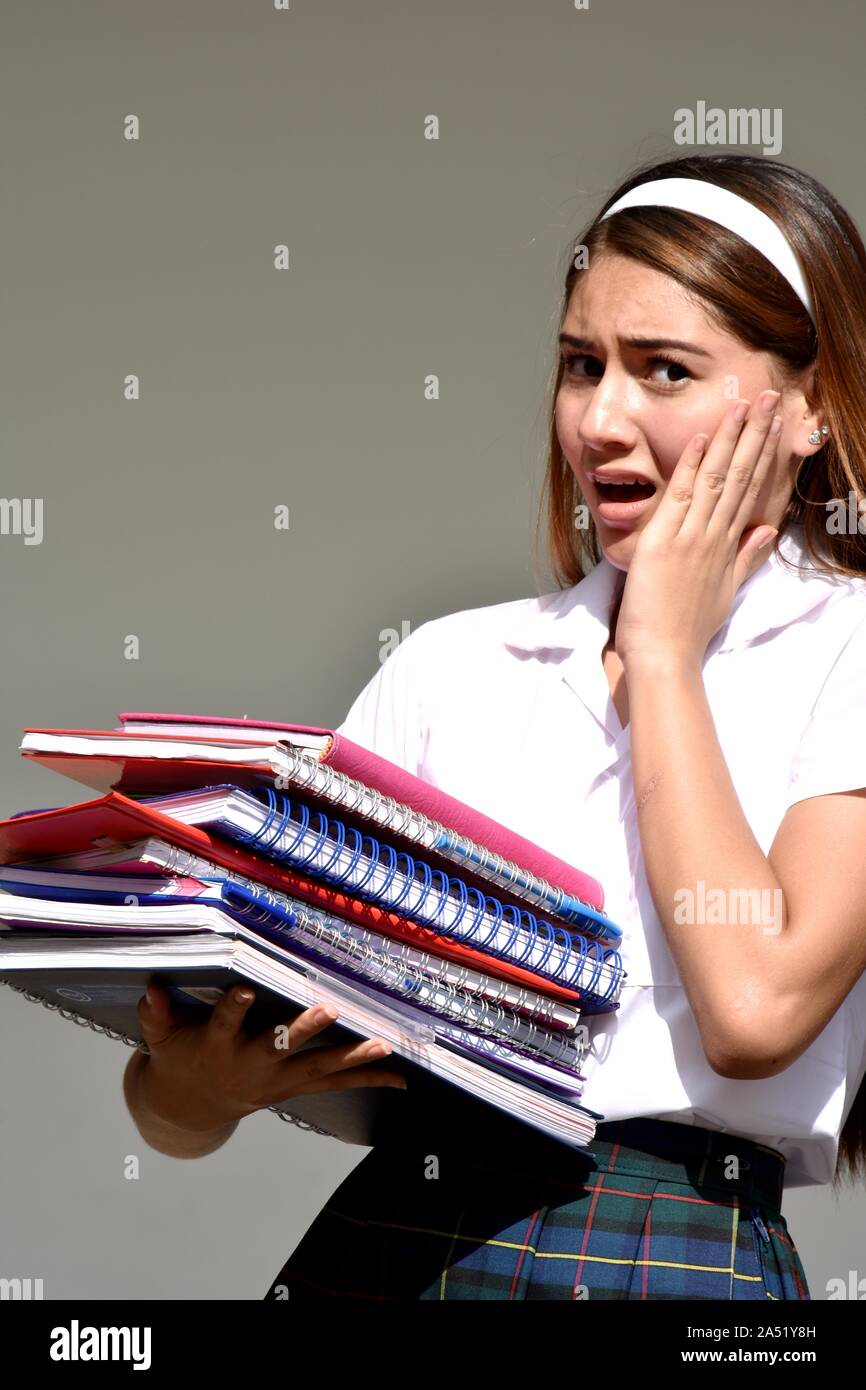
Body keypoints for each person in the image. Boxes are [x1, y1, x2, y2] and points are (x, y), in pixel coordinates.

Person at [125, 151, 866, 1300]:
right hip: (398, 1242)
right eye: (581, 365)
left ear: (808, 409)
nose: (601, 419)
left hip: (671, 1253)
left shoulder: (845, 650)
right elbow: (175, 1112)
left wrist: (660, 654)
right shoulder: (451, 667)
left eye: (663, 370)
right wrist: (203, 1084)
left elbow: (753, 1010)